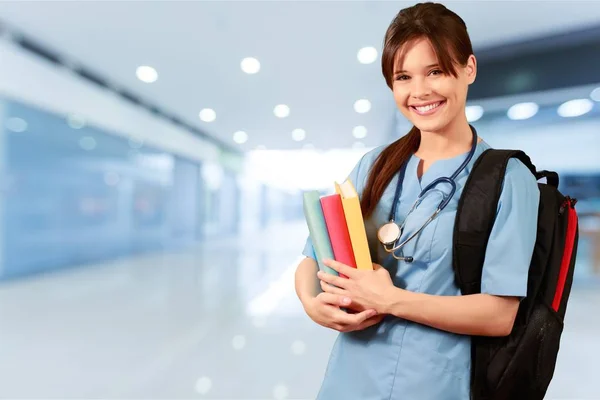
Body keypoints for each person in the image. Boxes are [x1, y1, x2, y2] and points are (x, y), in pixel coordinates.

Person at [294, 2, 540, 399]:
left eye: (436, 71)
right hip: (349, 380)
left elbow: (500, 314)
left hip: (434, 383)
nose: (419, 92)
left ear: (469, 69)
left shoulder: (509, 180)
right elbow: (311, 259)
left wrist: (390, 300)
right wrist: (311, 303)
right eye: (403, 77)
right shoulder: (374, 165)